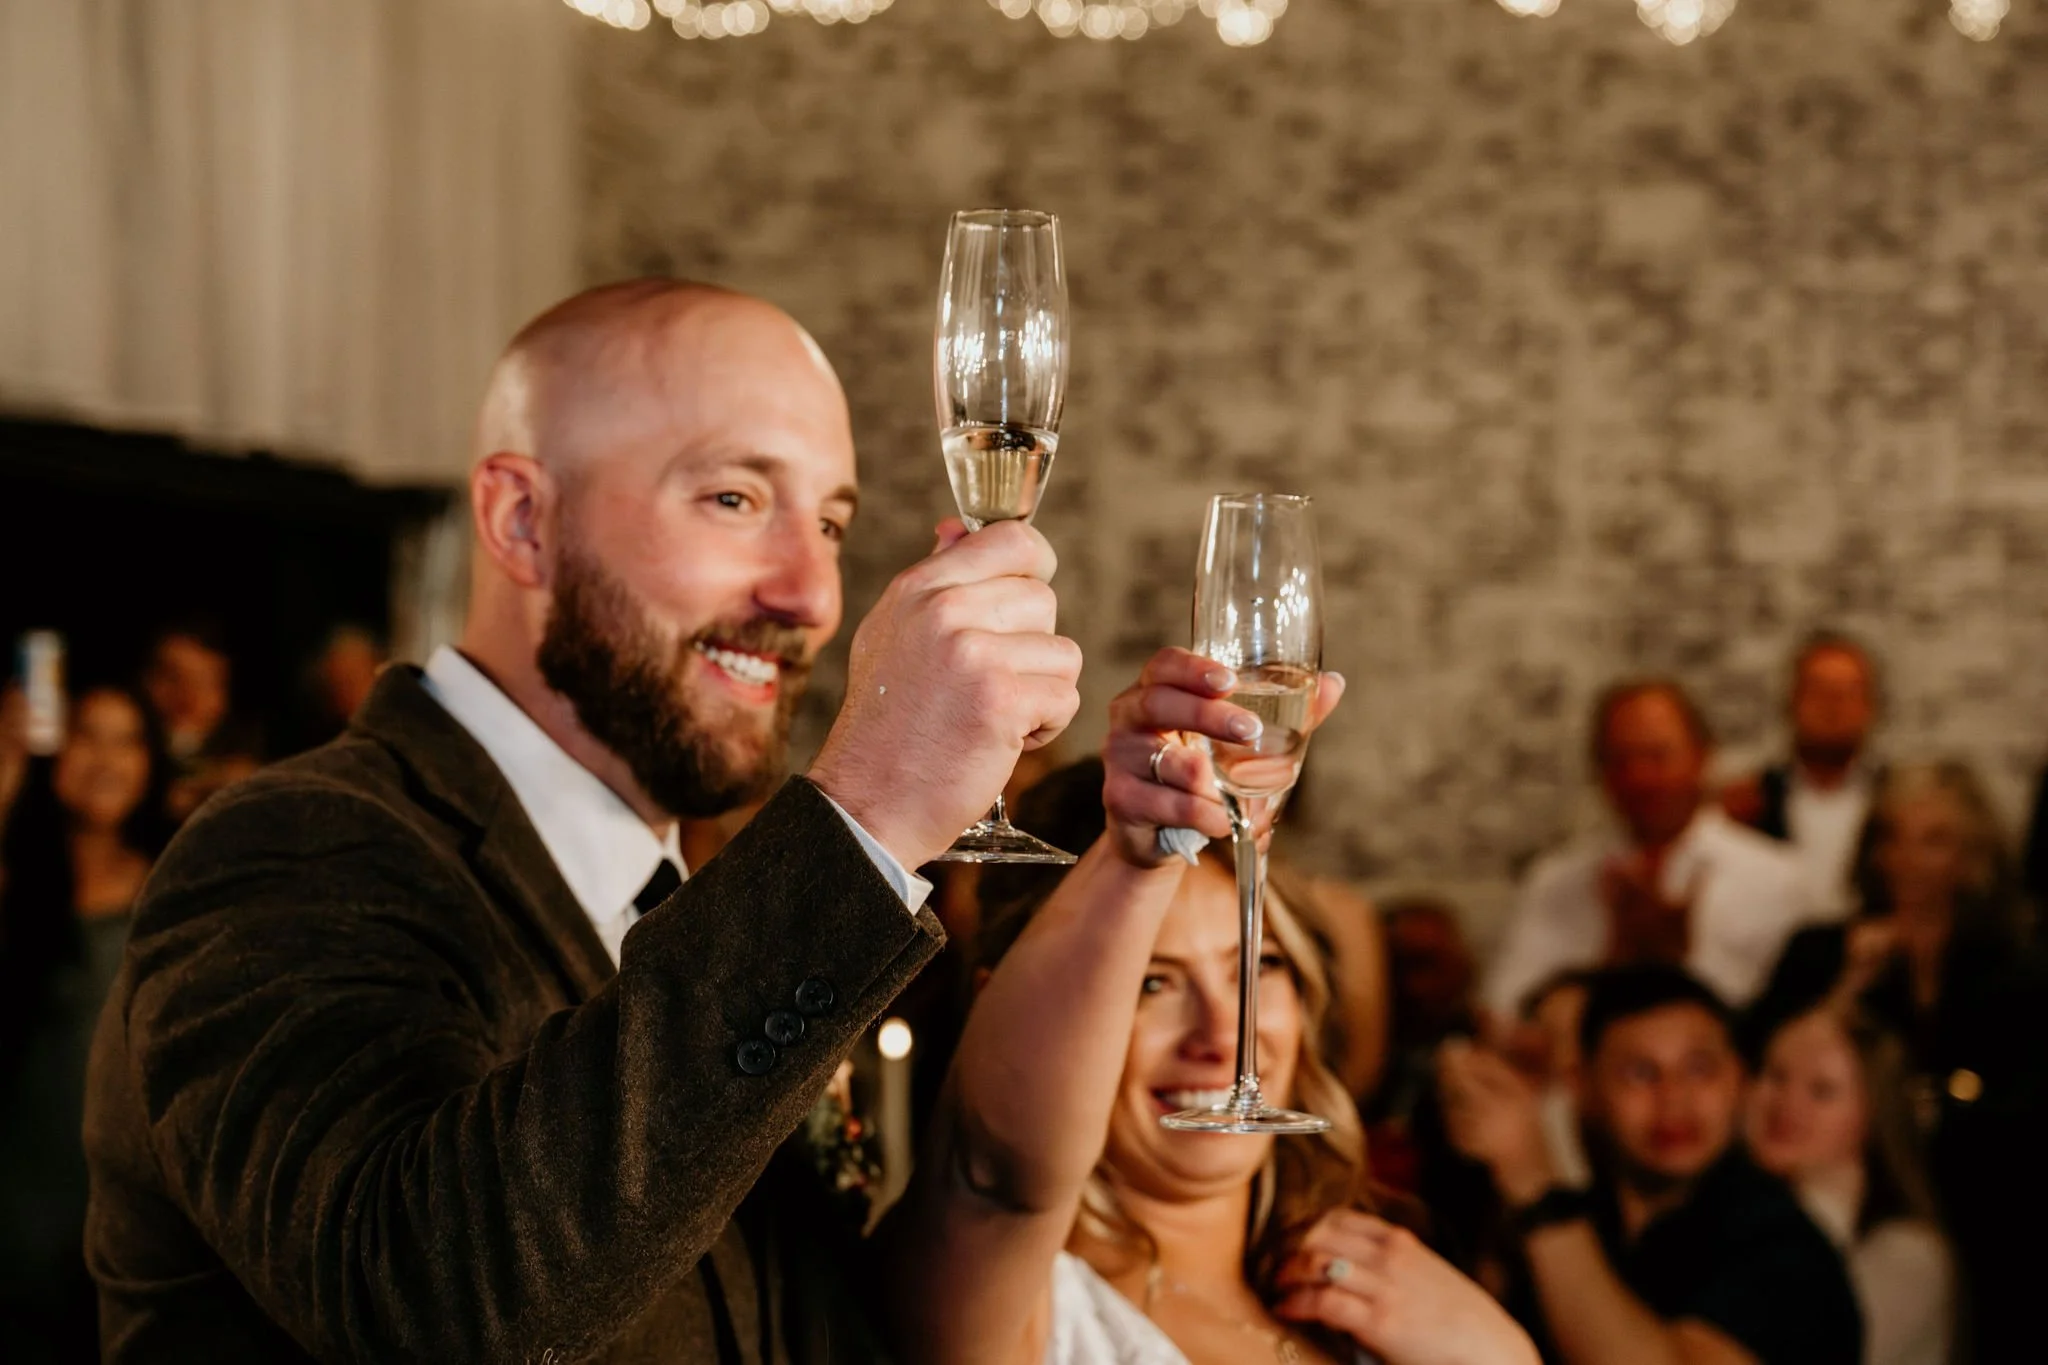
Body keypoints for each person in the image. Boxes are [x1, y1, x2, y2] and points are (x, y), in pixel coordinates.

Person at [83, 279, 1084, 1364]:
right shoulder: (287, 852)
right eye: (735, 500)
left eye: (832, 522)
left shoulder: (698, 907)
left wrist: (1136, 859)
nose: (813, 595)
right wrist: (867, 807)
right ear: (523, 521)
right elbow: (435, 1303)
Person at [884, 649, 1537, 1365]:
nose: (1223, 1035)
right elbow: (997, 1173)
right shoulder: (1016, 1304)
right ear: (1004, 1006)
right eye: (1153, 983)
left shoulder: (1393, 1287)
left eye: (1257, 966)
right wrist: (1135, 855)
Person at [1750, 762, 2048, 1365]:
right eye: (1893, 836)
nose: (1908, 859)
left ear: (1971, 856)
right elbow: (1770, 1069)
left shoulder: (2017, 962)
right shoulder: (1818, 951)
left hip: (1992, 1202)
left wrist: (1946, 1106)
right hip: (1852, 1196)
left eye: (1933, 839)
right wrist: (1848, 985)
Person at [1440, 964, 1862, 1365]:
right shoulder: (1587, 1222)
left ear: (1740, 1078)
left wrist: (1535, 1187)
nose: (1673, 1100)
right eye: (1640, 1073)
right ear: (1582, 1087)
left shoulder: (1785, 1246)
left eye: (1700, 1069)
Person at [0, 684, 168, 1364]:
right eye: (87, 734)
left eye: (126, 738)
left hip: (113, 1223)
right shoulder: (19, 882)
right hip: (15, 1213)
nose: (106, 757)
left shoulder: (171, 884)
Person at [1482, 679, 1813, 1022]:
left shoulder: (1777, 879)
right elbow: (1503, 1012)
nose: (1639, 778)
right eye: (1620, 760)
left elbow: (1793, 1023)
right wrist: (1613, 960)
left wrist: (1675, 961)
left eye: (1657, 756)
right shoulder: (1555, 880)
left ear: (1702, 757)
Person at [1745, 1008, 1952, 1365]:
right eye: (1776, 1076)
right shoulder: (1731, 1211)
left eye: (1821, 1091)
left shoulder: (1906, 1254)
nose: (1787, 1103)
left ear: (1873, 1115)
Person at [1723, 634, 1882, 918]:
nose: (1833, 706)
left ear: (1871, 707)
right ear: (1790, 702)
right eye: (1818, 691)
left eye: (1848, 692)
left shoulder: (1895, 800)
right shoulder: (1751, 802)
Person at [138, 620, 262, 823]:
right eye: (173, 677)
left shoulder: (249, 760)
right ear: (146, 680)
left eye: (204, 682)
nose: (188, 697)